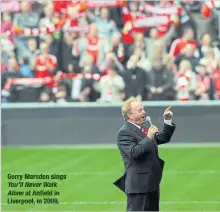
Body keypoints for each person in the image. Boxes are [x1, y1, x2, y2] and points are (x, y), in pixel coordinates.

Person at [113, 97, 176, 211]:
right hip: (138, 186)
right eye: (140, 110)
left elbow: (162, 138)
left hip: (152, 182)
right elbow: (134, 152)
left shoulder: (143, 128)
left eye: (143, 109)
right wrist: (148, 137)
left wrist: (167, 121)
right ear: (130, 115)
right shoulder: (124, 132)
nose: (144, 112)